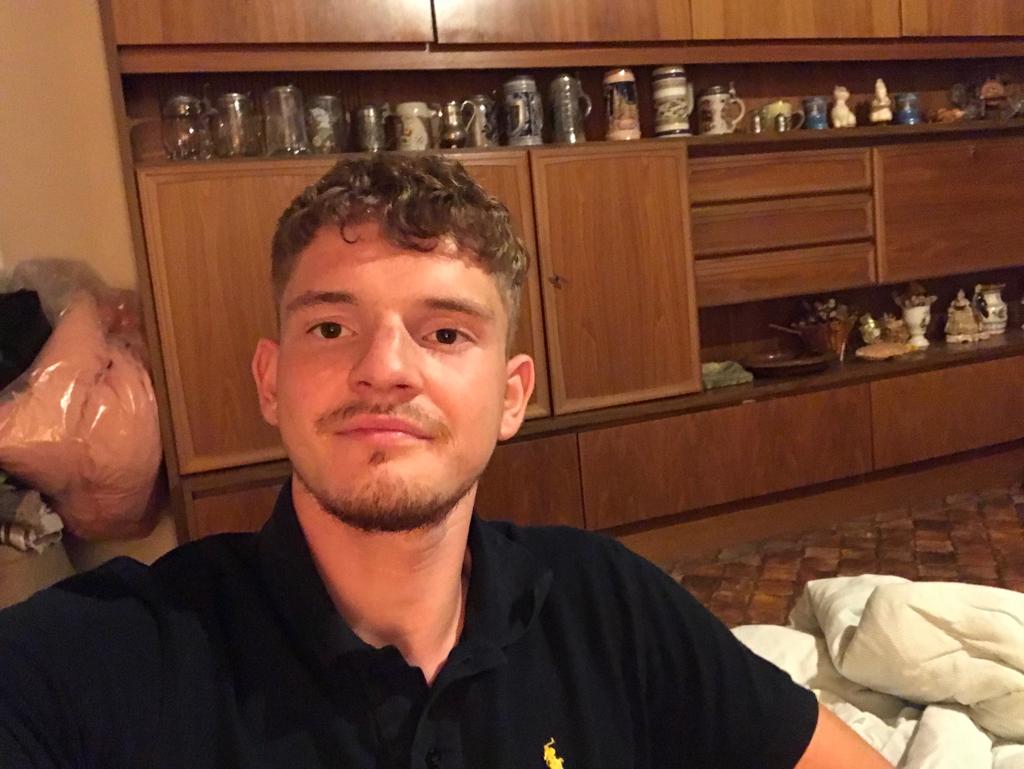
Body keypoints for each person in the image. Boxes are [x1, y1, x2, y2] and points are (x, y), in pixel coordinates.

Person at [0, 154, 893, 768]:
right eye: (331, 327)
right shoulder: (116, 659)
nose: (385, 366)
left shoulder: (606, 605)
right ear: (271, 382)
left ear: (511, 395)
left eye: (445, 332)